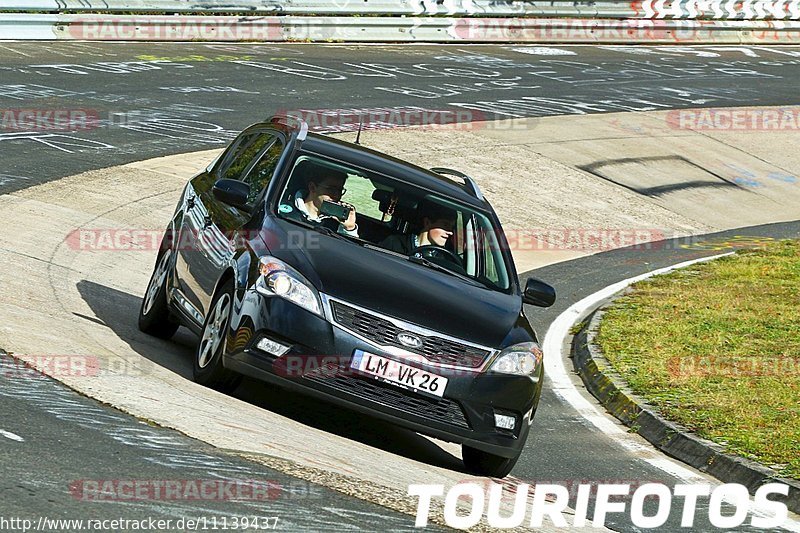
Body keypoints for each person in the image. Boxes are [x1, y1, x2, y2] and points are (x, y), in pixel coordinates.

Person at [292, 168, 359, 237]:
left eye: (340, 190)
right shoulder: (285, 208)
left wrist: (349, 228)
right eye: (331, 189)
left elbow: (345, 247)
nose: (337, 195)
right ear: (312, 187)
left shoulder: (336, 221)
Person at [380, 200, 457, 256]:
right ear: (427, 223)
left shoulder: (445, 259)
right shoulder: (394, 244)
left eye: (452, 227)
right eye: (445, 225)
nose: (450, 232)